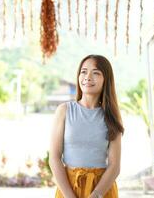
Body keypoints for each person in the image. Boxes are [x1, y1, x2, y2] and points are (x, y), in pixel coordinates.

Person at [49, 54, 124, 198]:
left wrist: (96, 195)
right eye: (83, 71)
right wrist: (70, 196)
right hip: (68, 188)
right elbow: (54, 157)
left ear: (106, 80)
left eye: (96, 73)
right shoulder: (64, 110)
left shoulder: (111, 117)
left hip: (102, 189)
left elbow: (114, 166)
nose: (88, 77)